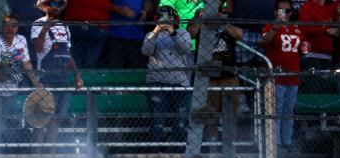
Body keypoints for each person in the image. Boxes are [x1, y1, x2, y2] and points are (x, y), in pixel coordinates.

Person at [31, 0, 84, 150]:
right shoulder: (38, 23)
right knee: (42, 120)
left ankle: (50, 156)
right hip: (46, 77)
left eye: (58, 3)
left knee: (56, 120)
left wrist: (77, 75)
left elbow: (67, 53)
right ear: (45, 7)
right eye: (51, 3)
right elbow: (39, 49)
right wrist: (44, 30)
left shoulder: (65, 26)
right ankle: (36, 156)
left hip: (63, 78)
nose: (54, 6)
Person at [0, 13, 40, 146]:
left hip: (12, 88)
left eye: (13, 25)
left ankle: (6, 148)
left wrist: (35, 82)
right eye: (7, 25)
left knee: (6, 119)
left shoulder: (21, 39)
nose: (10, 28)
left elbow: (26, 63)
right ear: (2, 27)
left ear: (18, 27)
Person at [191, 0, 243, 142]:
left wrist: (223, 23)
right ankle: (211, 139)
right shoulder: (198, 14)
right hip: (208, 74)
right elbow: (191, 33)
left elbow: (239, 34)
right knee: (210, 112)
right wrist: (200, 19)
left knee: (232, 113)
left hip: (229, 72)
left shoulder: (230, 15)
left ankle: (231, 141)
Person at [141, 4, 191, 141]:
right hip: (157, 81)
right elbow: (146, 51)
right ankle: (154, 152)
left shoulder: (182, 33)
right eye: (162, 17)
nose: (165, 20)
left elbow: (186, 49)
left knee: (180, 122)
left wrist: (172, 31)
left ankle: (178, 153)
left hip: (179, 82)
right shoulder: (151, 35)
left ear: (174, 18)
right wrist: (156, 31)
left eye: (169, 17)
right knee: (158, 121)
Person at [261, 0, 303, 148]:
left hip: (293, 76)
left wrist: (307, 48)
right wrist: (274, 28)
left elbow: (303, 50)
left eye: (288, 11)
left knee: (288, 111)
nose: (284, 14)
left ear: (292, 13)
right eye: (281, 10)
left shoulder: (297, 28)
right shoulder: (269, 26)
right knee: (276, 110)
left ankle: (287, 142)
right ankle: (275, 143)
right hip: (276, 77)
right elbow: (264, 43)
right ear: (275, 12)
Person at [61, 0, 135, 69]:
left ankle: (79, 80)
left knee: (80, 62)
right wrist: (119, 9)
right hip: (78, 27)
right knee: (82, 63)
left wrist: (119, 9)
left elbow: (106, 5)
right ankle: (80, 79)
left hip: (91, 28)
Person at [298, 0, 340, 92]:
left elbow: (334, 27)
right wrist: (325, 31)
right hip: (311, 54)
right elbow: (305, 28)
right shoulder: (307, 6)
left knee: (325, 91)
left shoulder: (330, 8)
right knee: (313, 89)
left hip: (327, 54)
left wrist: (335, 31)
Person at [102, 0, 151, 68]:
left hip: (137, 35)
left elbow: (147, 1)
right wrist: (119, 10)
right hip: (116, 35)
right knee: (114, 69)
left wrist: (145, 11)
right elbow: (103, 4)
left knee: (136, 70)